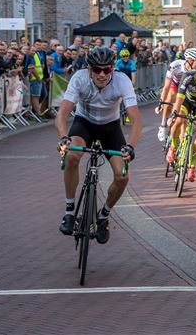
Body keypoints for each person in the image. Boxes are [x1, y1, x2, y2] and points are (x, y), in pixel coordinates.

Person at [55, 47, 142, 244]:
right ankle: (70, 211)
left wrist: (130, 146)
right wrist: (63, 138)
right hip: (84, 123)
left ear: (113, 68)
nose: (102, 74)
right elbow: (62, 114)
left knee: (122, 176)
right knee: (72, 156)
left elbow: (136, 121)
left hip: (110, 128)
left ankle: (103, 216)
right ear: (89, 69)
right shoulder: (79, 78)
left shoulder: (122, 81)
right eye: (97, 70)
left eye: (107, 70)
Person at [158, 47, 196, 143]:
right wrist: (161, 102)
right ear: (190, 60)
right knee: (170, 96)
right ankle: (163, 125)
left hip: (187, 87)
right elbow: (166, 86)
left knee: (183, 115)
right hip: (175, 84)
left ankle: (182, 143)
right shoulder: (176, 65)